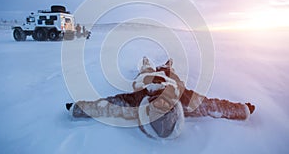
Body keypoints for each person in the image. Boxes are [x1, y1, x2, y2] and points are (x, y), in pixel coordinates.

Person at [66, 57, 255, 139]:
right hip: (169, 78)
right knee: (168, 71)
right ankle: (165, 66)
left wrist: (78, 108)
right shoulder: (185, 100)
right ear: (174, 109)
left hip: (145, 79)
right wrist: (241, 109)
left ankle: (151, 65)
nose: (161, 102)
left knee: (148, 71)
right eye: (165, 106)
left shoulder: (136, 101)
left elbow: (105, 107)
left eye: (157, 107)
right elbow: (215, 107)